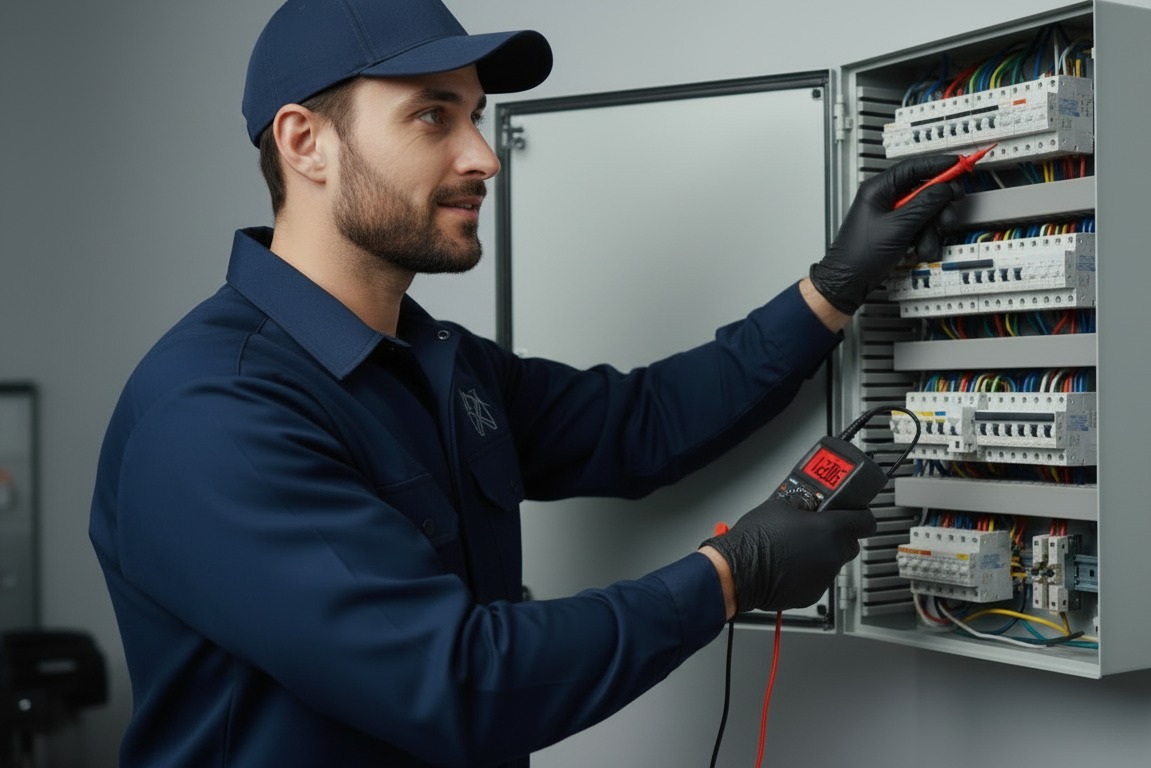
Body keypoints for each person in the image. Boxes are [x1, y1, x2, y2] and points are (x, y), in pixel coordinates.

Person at [88, 0, 960, 765]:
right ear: (305, 142)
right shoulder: (215, 411)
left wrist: (833, 287)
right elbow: (459, 684)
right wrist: (730, 575)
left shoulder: (441, 360)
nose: (484, 155)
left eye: (476, 114)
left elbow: (641, 423)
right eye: (434, 117)